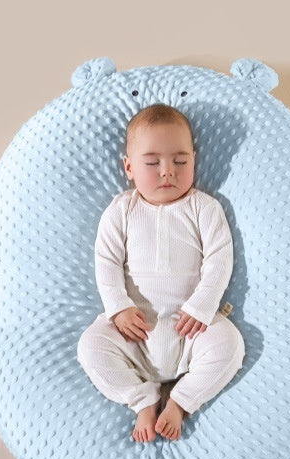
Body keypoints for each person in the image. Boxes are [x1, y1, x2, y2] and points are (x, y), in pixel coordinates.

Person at [77, 104, 245, 441]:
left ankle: (181, 402)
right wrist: (118, 307)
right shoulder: (122, 210)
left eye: (180, 161)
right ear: (129, 167)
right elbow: (106, 261)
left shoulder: (204, 207)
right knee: (90, 347)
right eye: (152, 163)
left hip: (191, 327)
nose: (167, 171)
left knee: (230, 344)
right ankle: (142, 400)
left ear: (194, 162)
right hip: (133, 331)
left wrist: (203, 305)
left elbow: (219, 259)